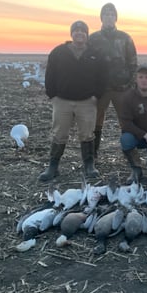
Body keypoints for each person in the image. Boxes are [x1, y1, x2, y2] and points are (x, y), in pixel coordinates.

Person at [38, 21, 106, 182]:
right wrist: (53, 96)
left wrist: (96, 95)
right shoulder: (59, 52)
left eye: (83, 31)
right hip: (62, 101)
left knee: (87, 134)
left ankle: (89, 165)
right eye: (76, 31)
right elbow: (50, 75)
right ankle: (53, 166)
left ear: (87, 34)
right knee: (59, 133)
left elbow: (102, 77)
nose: (79, 33)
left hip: (87, 102)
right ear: (71, 34)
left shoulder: (94, 53)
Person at [88, 3, 138, 157]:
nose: (109, 18)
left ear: (116, 18)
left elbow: (133, 63)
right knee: (95, 121)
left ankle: (129, 154)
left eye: (112, 15)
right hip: (101, 89)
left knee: (126, 121)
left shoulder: (125, 38)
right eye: (106, 15)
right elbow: (87, 63)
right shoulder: (93, 38)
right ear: (101, 18)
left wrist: (130, 85)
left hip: (122, 89)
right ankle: (93, 154)